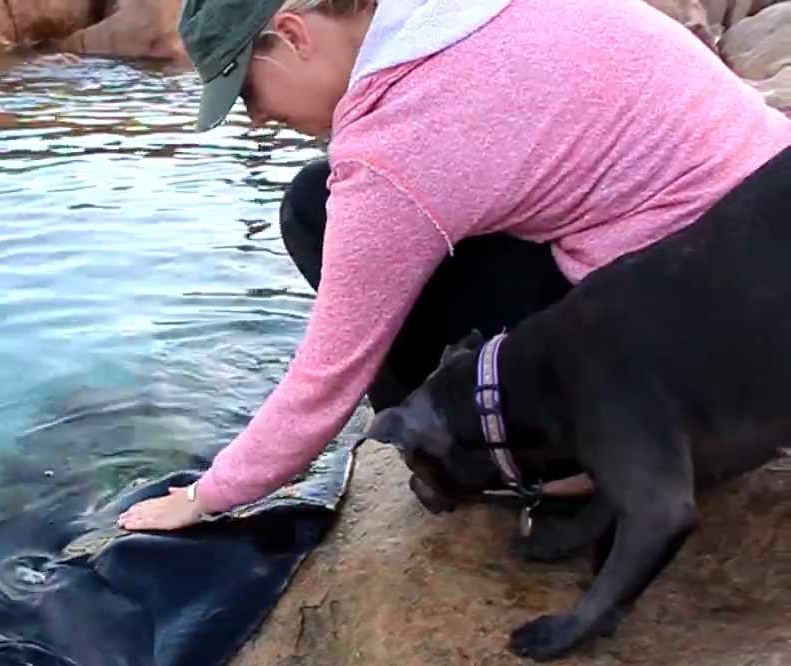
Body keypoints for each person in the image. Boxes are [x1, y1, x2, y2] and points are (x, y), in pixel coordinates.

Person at [117, 0, 791, 531]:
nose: (259, 121)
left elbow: (327, 377)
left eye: (248, 94)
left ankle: (469, 450)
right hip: (763, 258)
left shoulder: (398, 144)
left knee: (310, 208)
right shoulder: (455, 14)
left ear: (293, 34)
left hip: (699, 374)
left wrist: (207, 495)